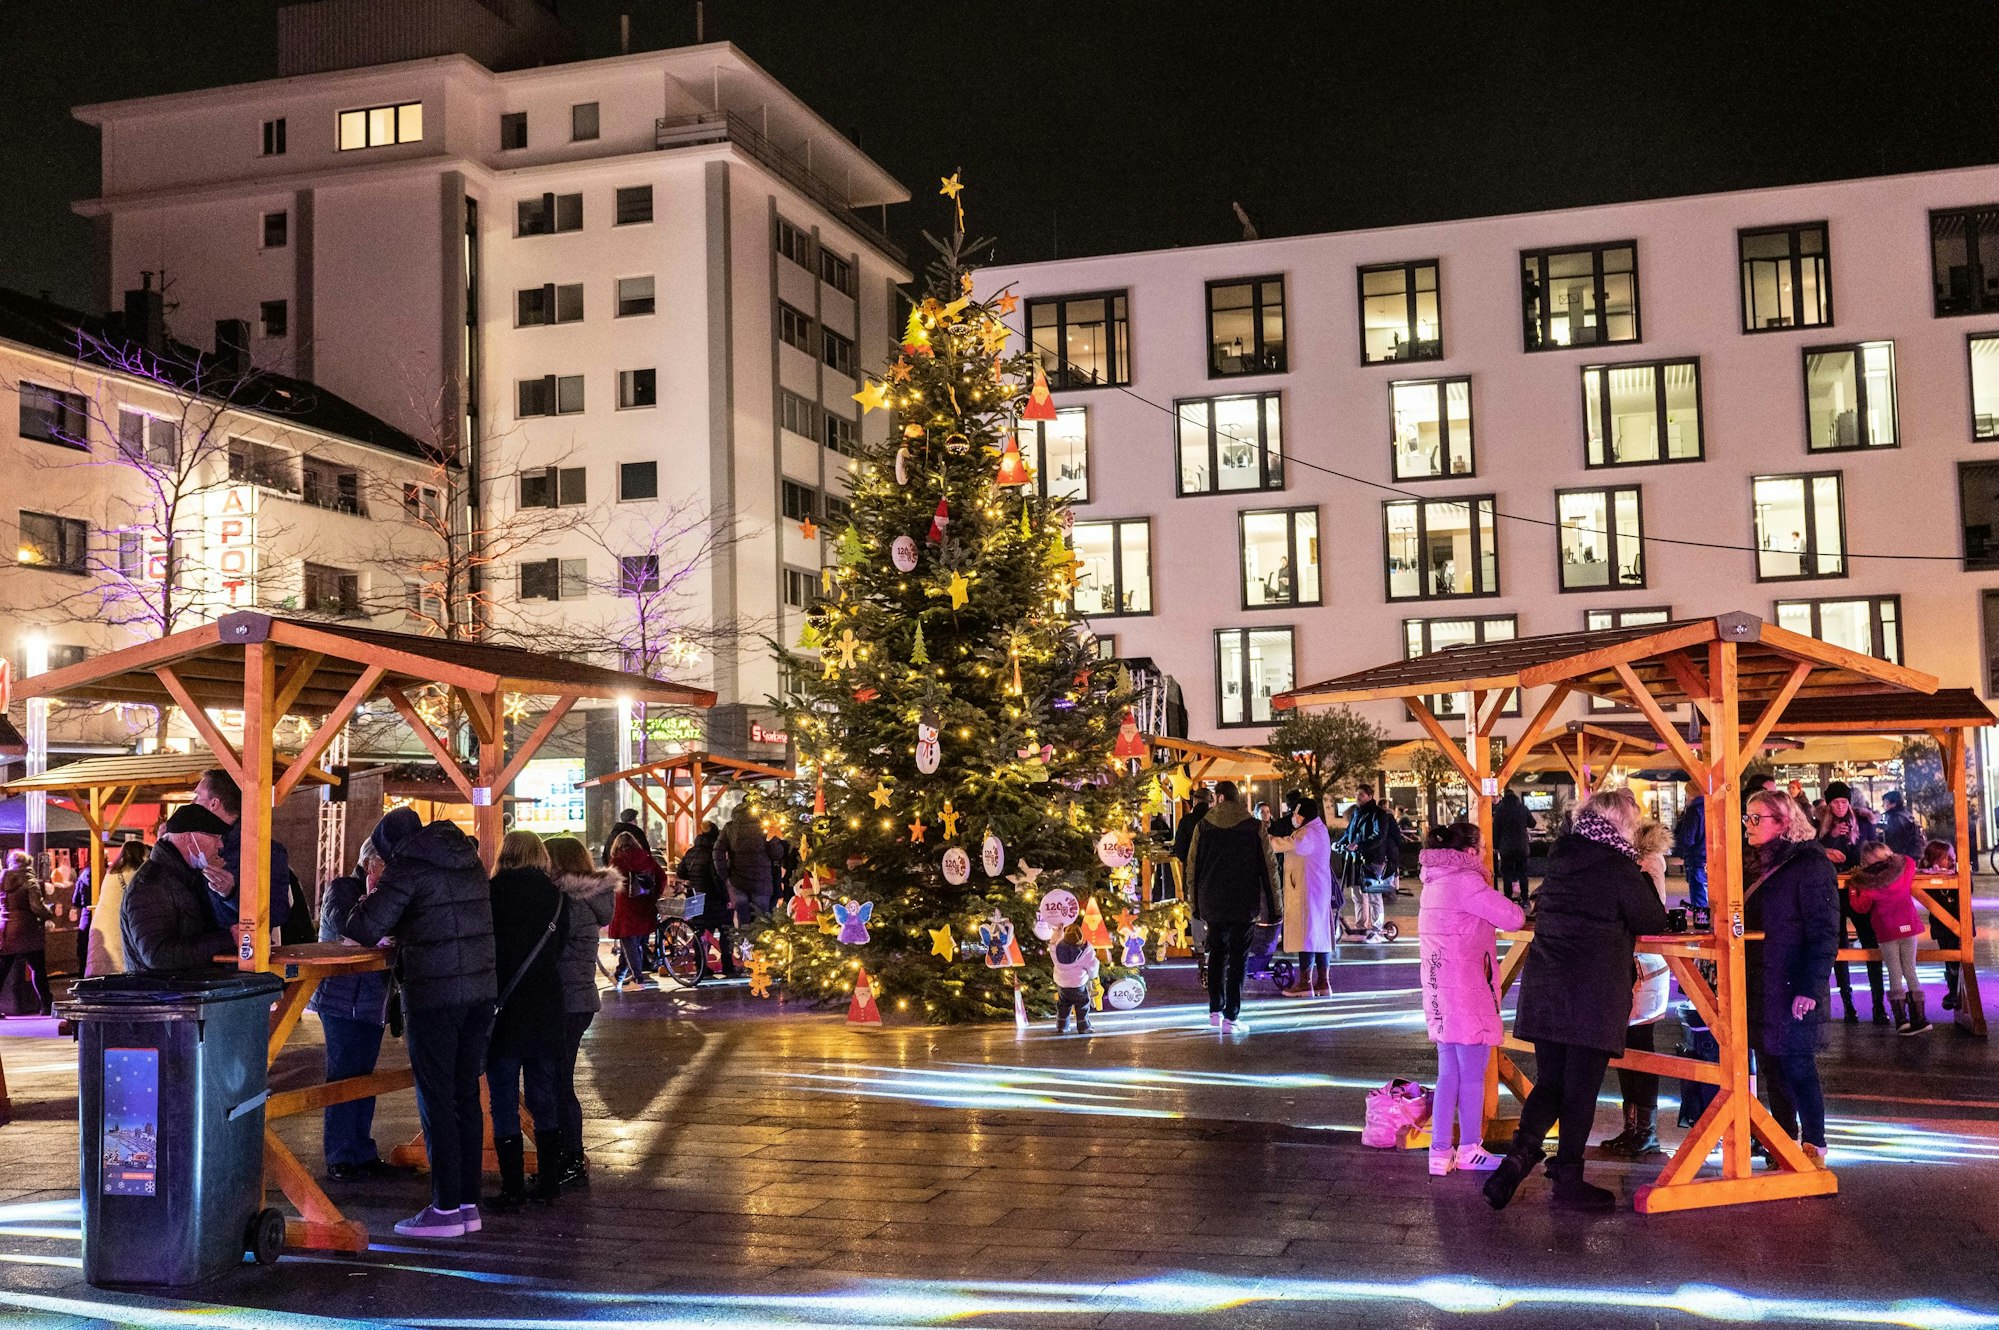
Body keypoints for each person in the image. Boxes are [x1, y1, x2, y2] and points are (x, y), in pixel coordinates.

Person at [1485, 788, 1667, 1212]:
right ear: (1621, 823)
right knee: (1580, 1090)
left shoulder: (1561, 858)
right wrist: (1643, 876)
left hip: (1547, 987)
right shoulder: (1618, 866)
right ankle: (1568, 1178)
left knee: (1551, 1081)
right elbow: (1652, 918)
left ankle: (1517, 1159)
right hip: (1592, 993)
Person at [341, 807, 497, 1240]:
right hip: (480, 992)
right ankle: (467, 1204)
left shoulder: (407, 866)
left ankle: (444, 1209)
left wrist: (368, 895)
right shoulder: (466, 860)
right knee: (465, 1095)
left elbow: (363, 927)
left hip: (435, 997)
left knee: (437, 1098)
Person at [1416, 821, 1524, 1177]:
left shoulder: (1432, 881)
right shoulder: (1466, 881)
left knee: (1448, 1073)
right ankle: (1469, 1148)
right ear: (1471, 851)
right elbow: (1512, 917)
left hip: (1438, 990)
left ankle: (1439, 1152)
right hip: (1468, 990)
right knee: (1474, 1074)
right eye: (1483, 848)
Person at [1742, 788, 1840, 1167]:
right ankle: (1782, 1143)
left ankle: (1814, 1146)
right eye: (1747, 817)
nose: (1748, 825)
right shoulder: (1754, 864)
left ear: (1783, 822)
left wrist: (1810, 988)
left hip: (1790, 983)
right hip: (1760, 982)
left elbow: (1824, 932)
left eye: (1757, 818)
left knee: (1797, 1064)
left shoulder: (1809, 865)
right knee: (1772, 1066)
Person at [310, 842, 408, 1182]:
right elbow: (348, 927)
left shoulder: (384, 895)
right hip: (342, 997)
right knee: (343, 1075)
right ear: (369, 864)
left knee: (363, 1077)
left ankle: (362, 1151)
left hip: (371, 999)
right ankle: (340, 1155)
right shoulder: (343, 889)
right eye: (387, 865)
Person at [485, 831, 570, 1210]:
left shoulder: (491, 894)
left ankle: (512, 1187)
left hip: (504, 1007)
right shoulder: (557, 897)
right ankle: (550, 1181)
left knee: (503, 1100)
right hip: (546, 1006)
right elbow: (559, 947)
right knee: (544, 1096)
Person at [545, 835, 616, 1190]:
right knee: (560, 1079)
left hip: (565, 1000)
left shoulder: (567, 903)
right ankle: (566, 1157)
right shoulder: (588, 900)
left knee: (558, 1082)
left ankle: (570, 1158)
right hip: (580, 999)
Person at [1600, 820, 1673, 1158]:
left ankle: (1646, 1130)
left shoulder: (1647, 861)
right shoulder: (1623, 860)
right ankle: (1632, 1127)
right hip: (1628, 963)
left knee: (1640, 1044)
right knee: (1627, 1047)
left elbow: (1647, 912)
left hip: (1644, 965)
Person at [1187, 780, 1277, 1034]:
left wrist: (1195, 904)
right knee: (1239, 958)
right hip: (1243, 902)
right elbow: (1269, 869)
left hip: (1212, 901)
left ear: (1219, 798)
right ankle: (1231, 1017)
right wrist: (1275, 907)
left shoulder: (1203, 826)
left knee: (1216, 954)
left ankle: (1214, 1011)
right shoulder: (1254, 827)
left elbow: (1193, 868)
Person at [122, 805, 237, 974]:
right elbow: (157, 956)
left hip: (188, 986)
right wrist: (228, 938)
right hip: (163, 989)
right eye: (215, 837)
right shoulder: (150, 884)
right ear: (188, 838)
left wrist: (228, 893)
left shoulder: (189, 876)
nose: (220, 845)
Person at [191, 767, 292, 935]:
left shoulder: (266, 851)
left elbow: (277, 912)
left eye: (197, 797)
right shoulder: (191, 844)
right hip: (194, 948)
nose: (192, 803)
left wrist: (231, 894)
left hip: (239, 949)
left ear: (213, 804)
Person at [1818, 781, 1886, 1025]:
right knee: (1839, 947)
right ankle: (1848, 1005)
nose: (1840, 807)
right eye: (1835, 802)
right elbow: (1813, 854)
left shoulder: (1864, 823)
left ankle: (1879, 1004)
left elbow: (1873, 853)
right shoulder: (1819, 826)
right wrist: (1831, 838)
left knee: (1870, 942)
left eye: (1844, 802)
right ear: (1828, 804)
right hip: (1832, 893)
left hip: (1860, 889)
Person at [1848, 841, 1929, 1035]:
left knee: (1894, 973)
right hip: (1908, 925)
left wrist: (1853, 886)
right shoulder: (1904, 869)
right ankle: (1920, 1018)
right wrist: (1893, 858)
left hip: (1887, 930)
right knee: (1910, 970)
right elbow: (1909, 861)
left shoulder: (1867, 882)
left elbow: (1861, 907)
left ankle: (1902, 1020)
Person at [1269, 796, 1334, 997]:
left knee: (1307, 935)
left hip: (1308, 891)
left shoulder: (1308, 833)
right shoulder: (1318, 829)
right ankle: (1323, 983)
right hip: (1316, 889)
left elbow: (1290, 845)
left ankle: (1306, 983)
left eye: (1296, 814)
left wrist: (1267, 839)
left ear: (1304, 815)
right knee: (1319, 936)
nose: (1294, 818)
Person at [1338, 784, 1397, 942]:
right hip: (1355, 859)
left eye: (1361, 795)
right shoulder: (1356, 813)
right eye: (1357, 795)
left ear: (1370, 796)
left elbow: (1379, 837)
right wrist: (1340, 843)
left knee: (1373, 895)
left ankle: (1377, 929)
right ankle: (1361, 926)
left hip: (1373, 859)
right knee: (1357, 894)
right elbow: (1349, 833)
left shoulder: (1378, 814)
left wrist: (1359, 845)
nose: (1357, 798)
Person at [608, 831, 663, 990]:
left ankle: (638, 980)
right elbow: (661, 877)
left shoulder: (617, 861)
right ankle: (619, 976)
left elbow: (609, 883)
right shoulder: (646, 858)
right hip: (645, 907)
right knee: (633, 943)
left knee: (629, 942)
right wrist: (655, 895)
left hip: (626, 907)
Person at [0, 852, 54, 1015]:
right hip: (27, 929)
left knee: (2, 970)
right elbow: (37, 907)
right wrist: (48, 913)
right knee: (38, 968)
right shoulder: (30, 881)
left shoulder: (3, 879)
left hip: (6, 930)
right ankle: (46, 1005)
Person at [86, 840, 146, 976]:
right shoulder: (135, 874)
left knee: (102, 966)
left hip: (101, 924)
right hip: (118, 925)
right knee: (119, 967)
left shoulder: (111, 873)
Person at [1921, 839, 1963, 1011]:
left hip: (1960, 924)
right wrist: (1935, 875)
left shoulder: (1959, 873)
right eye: (1947, 857)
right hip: (1941, 926)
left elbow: (1968, 890)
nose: (1952, 860)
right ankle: (1953, 991)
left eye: (1953, 856)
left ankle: (1955, 993)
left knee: (1957, 959)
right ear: (1935, 861)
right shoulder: (1928, 875)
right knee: (1948, 958)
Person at [1051, 922, 1099, 1035]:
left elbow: (1053, 942)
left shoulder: (1057, 949)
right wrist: (1093, 976)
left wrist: (1058, 932)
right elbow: (1093, 966)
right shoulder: (1086, 952)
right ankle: (1083, 1026)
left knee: (1063, 1004)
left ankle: (1062, 1025)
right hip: (1078, 984)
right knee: (1082, 1004)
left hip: (1062, 984)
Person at [1493, 789, 1536, 905]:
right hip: (1522, 847)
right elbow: (1532, 823)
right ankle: (1525, 899)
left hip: (1506, 847)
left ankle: (1508, 898)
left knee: (1507, 874)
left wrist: (1496, 846)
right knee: (1523, 873)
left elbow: (1496, 830)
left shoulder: (1500, 810)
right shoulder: (1522, 808)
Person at [1671, 793, 1708, 910]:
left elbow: (1687, 838)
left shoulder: (1694, 810)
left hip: (1697, 860)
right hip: (1709, 859)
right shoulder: (1710, 806)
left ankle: (1703, 919)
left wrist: (1675, 850)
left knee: (1700, 901)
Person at [1170, 789, 1211, 881]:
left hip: (1191, 866)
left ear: (1195, 800)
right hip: (1210, 868)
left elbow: (1180, 848)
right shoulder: (1213, 820)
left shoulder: (1186, 820)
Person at [1880, 790, 1924, 858]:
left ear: (1893, 804)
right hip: (1914, 854)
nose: (1882, 805)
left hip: (1903, 857)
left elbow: (1893, 842)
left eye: (1885, 802)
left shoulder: (1894, 818)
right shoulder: (1906, 814)